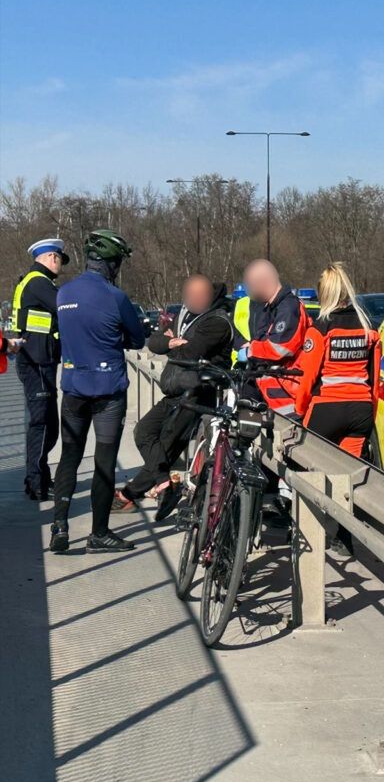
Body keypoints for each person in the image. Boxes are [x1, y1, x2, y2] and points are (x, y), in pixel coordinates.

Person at [50, 230, 146, 553]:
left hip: (73, 389)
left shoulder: (63, 294)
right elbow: (137, 339)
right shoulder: (115, 297)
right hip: (107, 391)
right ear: (112, 264)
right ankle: (99, 533)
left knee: (69, 456)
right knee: (104, 462)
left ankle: (60, 527)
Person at [111, 275, 233, 519]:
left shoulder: (217, 321)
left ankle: (129, 495)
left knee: (166, 447)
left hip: (199, 394)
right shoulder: (187, 314)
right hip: (176, 388)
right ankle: (165, 484)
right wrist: (170, 341)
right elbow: (154, 343)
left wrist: (172, 342)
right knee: (144, 431)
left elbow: (191, 351)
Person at [293, 262, 380, 457]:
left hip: (326, 408)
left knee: (310, 469)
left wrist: (299, 410)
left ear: (323, 293)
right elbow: (375, 380)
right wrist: (370, 412)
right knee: (349, 472)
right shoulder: (369, 329)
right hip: (361, 410)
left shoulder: (319, 329)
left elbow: (307, 376)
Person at [11, 238, 68, 500]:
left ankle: (40, 478)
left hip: (39, 360)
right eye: (59, 259)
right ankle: (35, 483)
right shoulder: (38, 283)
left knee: (48, 425)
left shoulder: (35, 282)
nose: (60, 265)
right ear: (50, 257)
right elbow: (65, 308)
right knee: (42, 423)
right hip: (35, 362)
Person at [234, 259, 310, 414]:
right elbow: (262, 340)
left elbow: (280, 347)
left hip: (286, 395)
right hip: (269, 392)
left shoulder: (288, 307)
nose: (250, 292)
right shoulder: (269, 308)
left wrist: (251, 350)